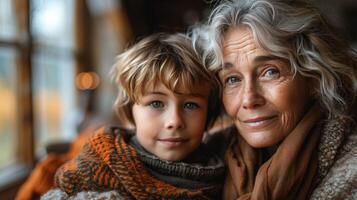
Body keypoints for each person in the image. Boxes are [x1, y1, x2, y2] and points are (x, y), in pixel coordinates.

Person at [191, 0, 357, 199]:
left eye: (270, 72)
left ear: (314, 78)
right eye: (233, 79)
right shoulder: (205, 163)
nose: (249, 99)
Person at [41, 33, 226, 199]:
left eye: (190, 105)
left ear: (208, 112)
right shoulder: (99, 162)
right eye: (156, 103)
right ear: (130, 110)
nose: (174, 121)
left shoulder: (221, 172)